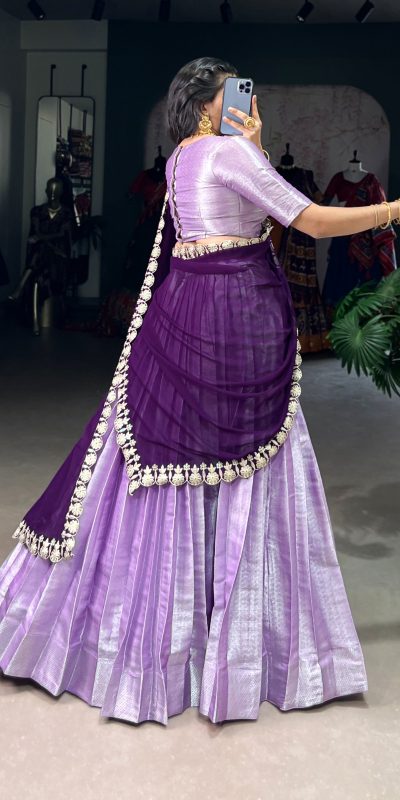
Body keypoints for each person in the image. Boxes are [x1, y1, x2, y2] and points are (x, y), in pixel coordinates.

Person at [1, 57, 398, 727]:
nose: (247, 100)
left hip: (183, 308)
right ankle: (243, 642)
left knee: (168, 456)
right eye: (235, 93)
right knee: (246, 457)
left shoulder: (186, 155)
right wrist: (393, 209)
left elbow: (238, 209)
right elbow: (308, 221)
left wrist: (256, 148)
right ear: (213, 102)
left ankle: (151, 637)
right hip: (234, 313)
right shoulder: (229, 153)